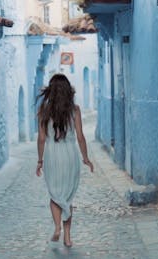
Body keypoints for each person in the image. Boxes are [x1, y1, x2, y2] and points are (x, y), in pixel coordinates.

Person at [35, 74, 94, 248]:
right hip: (70, 154)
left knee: (55, 194)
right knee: (67, 196)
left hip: (52, 155)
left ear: (50, 92)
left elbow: (41, 139)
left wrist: (40, 160)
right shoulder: (74, 110)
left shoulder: (44, 111)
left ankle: (57, 227)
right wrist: (86, 158)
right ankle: (67, 237)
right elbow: (81, 137)